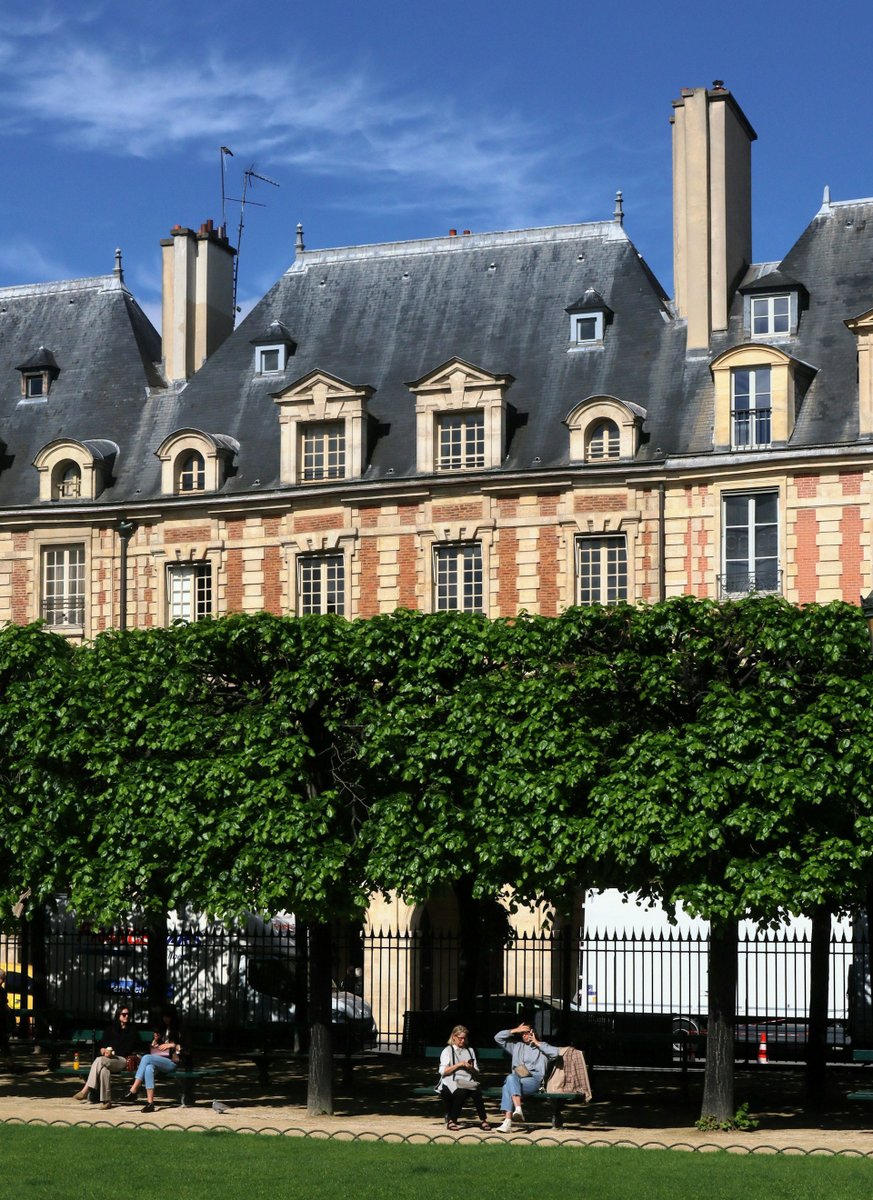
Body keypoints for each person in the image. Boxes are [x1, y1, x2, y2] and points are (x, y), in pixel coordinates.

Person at [494, 1022, 560, 1132]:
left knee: (507, 1086)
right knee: (510, 1079)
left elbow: (556, 1053)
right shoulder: (517, 1046)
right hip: (517, 1079)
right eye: (522, 1033)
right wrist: (515, 1030)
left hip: (534, 1080)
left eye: (527, 1032)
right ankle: (518, 1109)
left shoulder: (542, 1047)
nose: (525, 1035)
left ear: (534, 1033)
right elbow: (497, 1038)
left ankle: (507, 1122)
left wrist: (537, 1043)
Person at [73, 1005, 142, 1109]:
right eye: (124, 1014)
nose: (126, 1016)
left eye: (128, 1014)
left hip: (122, 1060)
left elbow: (128, 1049)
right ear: (118, 1015)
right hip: (108, 1060)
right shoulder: (111, 1029)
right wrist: (103, 1050)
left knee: (99, 1060)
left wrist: (112, 1054)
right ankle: (106, 1101)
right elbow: (102, 1045)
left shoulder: (132, 1030)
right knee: (103, 1070)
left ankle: (86, 1089)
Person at [122, 1009, 183, 1113]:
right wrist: (155, 1041)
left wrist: (172, 1045)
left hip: (172, 1063)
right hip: (160, 1060)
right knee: (148, 1068)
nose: (166, 1019)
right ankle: (150, 1103)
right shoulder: (163, 1029)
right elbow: (155, 1049)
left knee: (146, 1058)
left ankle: (134, 1089)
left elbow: (185, 1047)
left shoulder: (180, 1029)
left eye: (168, 1017)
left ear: (173, 1017)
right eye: (164, 1017)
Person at [436, 1025, 491, 1131]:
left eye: (464, 1038)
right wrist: (459, 1065)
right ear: (453, 1037)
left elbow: (476, 1071)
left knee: (477, 1093)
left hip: (467, 1081)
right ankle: (452, 1120)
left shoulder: (470, 1050)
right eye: (460, 1038)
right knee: (461, 1092)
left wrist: (470, 1068)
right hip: (451, 1080)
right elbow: (443, 1071)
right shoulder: (448, 1051)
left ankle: (484, 1120)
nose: (462, 1040)